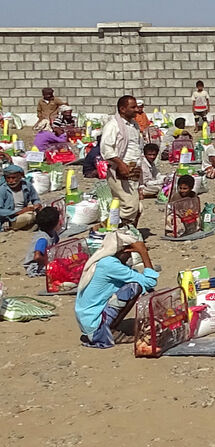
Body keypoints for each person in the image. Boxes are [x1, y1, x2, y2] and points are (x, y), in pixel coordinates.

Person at [74, 229, 158, 348]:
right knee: (135, 287)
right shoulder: (110, 265)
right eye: (129, 252)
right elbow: (149, 281)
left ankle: (110, 326)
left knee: (135, 284)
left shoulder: (105, 261)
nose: (129, 255)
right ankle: (110, 331)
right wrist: (143, 252)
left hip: (88, 320)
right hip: (94, 324)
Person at [100, 95, 143, 227]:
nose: (137, 110)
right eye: (133, 107)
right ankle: (109, 229)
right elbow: (106, 149)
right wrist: (120, 164)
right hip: (119, 172)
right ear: (122, 109)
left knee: (137, 207)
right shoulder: (113, 126)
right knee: (130, 207)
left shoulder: (133, 125)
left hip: (133, 171)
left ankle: (127, 234)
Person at [1, 164, 43, 231]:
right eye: (8, 178)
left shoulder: (27, 185)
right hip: (10, 218)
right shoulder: (3, 190)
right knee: (30, 216)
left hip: (24, 213)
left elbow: (35, 199)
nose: (11, 181)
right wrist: (18, 212)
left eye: (13, 178)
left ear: (20, 177)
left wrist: (37, 205)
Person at [23, 206, 61, 276]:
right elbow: (37, 257)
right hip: (36, 266)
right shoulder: (43, 239)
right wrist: (49, 262)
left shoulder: (53, 233)